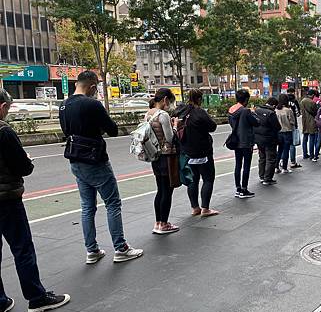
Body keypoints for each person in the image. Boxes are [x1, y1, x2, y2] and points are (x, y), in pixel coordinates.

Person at [0, 89, 70, 312]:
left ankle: (0, 301)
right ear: (3, 106)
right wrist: (27, 161)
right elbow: (22, 167)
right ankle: (36, 297)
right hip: (6, 200)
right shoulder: (4, 132)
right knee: (22, 248)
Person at [59, 71, 143, 264]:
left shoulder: (63, 106)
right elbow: (112, 130)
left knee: (87, 207)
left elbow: (67, 131)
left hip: (75, 160)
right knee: (112, 203)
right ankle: (120, 248)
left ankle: (92, 250)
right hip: (95, 160)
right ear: (92, 87)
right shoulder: (92, 104)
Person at [177, 89, 219, 217]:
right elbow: (212, 127)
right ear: (199, 99)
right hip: (203, 151)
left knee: (193, 180)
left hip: (186, 151)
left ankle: (195, 208)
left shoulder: (181, 111)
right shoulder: (199, 112)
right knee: (208, 179)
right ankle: (205, 208)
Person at [145, 89, 180, 235]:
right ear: (165, 100)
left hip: (156, 156)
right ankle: (164, 224)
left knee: (160, 190)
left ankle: (158, 222)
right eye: (170, 102)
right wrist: (175, 125)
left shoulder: (148, 114)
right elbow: (170, 138)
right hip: (167, 157)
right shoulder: (163, 115)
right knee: (167, 191)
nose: (170, 105)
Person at [229, 89, 261, 198]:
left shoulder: (231, 110)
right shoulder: (245, 111)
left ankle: (238, 188)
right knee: (246, 166)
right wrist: (253, 112)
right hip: (246, 141)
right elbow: (257, 122)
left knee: (238, 165)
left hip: (236, 140)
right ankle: (244, 189)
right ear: (246, 99)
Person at [254, 97, 281, 185]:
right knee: (271, 158)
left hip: (258, 139)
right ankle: (268, 178)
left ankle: (261, 176)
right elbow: (277, 127)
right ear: (273, 105)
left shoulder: (257, 110)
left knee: (262, 157)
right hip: (269, 139)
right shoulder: (271, 113)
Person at [275, 93, 296, 174]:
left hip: (279, 133)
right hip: (287, 132)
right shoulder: (288, 110)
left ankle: (276, 167)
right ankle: (284, 168)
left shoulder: (276, 110)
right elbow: (292, 121)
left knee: (279, 150)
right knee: (286, 150)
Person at [300, 89, 318, 160]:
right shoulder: (312, 102)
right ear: (313, 95)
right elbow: (315, 112)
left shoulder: (302, 101)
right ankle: (311, 154)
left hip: (304, 121)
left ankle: (305, 154)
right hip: (311, 121)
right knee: (312, 138)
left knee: (305, 138)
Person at [286, 88, 302, 169]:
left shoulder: (282, 102)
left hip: (282, 126)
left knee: (283, 145)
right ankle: (293, 162)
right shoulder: (294, 102)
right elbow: (298, 113)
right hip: (292, 125)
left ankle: (282, 162)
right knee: (292, 144)